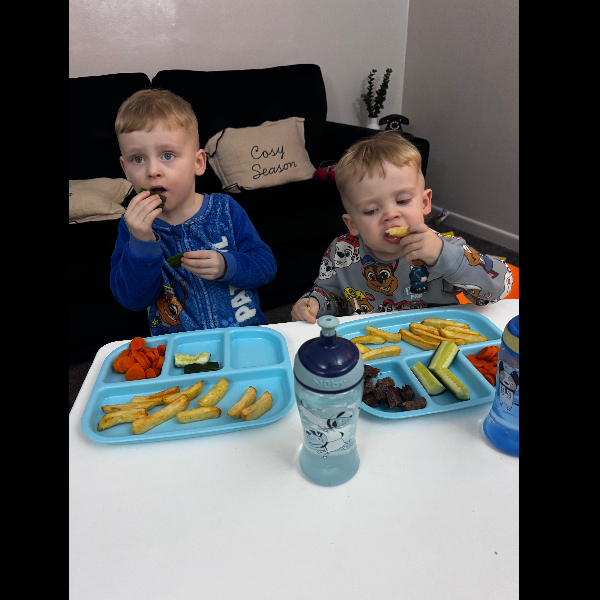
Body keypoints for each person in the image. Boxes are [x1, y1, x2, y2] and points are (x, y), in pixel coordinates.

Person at [291, 131, 512, 322]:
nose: (391, 215)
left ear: (424, 203)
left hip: (434, 343)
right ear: (353, 224)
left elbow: (499, 288)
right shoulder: (341, 252)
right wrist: (315, 303)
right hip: (368, 344)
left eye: (403, 201)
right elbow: (332, 295)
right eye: (371, 210)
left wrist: (446, 259)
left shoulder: (444, 249)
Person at [110, 88, 276, 335]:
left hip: (243, 338)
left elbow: (265, 267)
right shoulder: (132, 227)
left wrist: (226, 265)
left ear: (198, 162)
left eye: (167, 155)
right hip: (179, 350)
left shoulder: (225, 210)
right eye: (138, 159)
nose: (153, 170)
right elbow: (133, 300)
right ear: (125, 169)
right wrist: (141, 241)